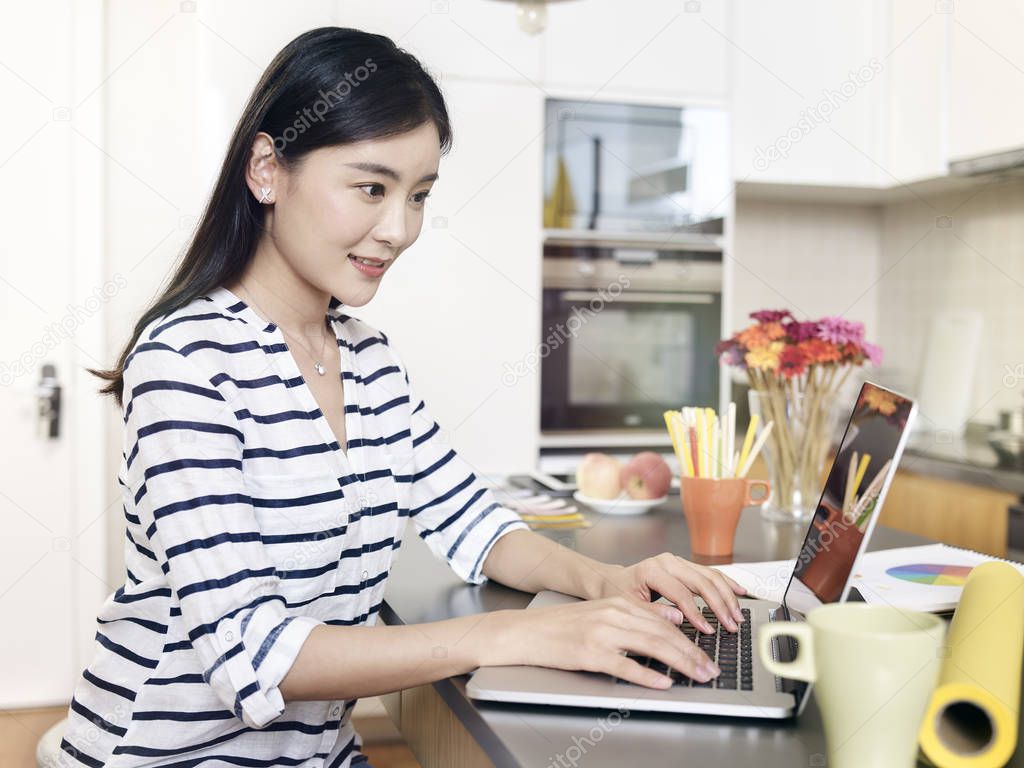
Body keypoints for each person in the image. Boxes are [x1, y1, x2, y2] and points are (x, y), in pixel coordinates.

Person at [61, 26, 746, 768]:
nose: (398, 230)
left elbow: (475, 525)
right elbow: (255, 653)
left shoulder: (367, 359)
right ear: (267, 169)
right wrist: (520, 634)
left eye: (418, 195)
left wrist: (609, 581)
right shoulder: (186, 363)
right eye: (371, 187)